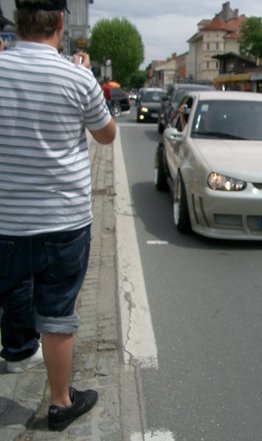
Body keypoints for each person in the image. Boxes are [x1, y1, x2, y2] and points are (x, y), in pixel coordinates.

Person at [0, 0, 116, 432]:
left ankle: (16, 355)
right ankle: (61, 403)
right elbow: (107, 135)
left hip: (5, 217)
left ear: (19, 21)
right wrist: (84, 77)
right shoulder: (77, 76)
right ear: (61, 23)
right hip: (63, 221)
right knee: (57, 313)